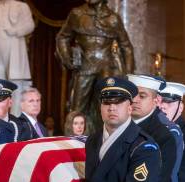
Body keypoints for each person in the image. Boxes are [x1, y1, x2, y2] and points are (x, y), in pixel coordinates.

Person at [56, 0, 135, 136]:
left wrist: (128, 76)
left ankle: (104, 140)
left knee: (107, 106)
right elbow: (63, 37)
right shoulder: (77, 14)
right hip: (84, 67)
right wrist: (67, 58)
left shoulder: (113, 18)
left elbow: (126, 46)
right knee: (77, 108)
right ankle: (72, 143)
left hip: (106, 68)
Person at [0, 0, 35, 115]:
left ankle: (16, 117)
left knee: (16, 84)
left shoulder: (21, 6)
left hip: (13, 49)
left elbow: (30, 25)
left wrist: (15, 30)